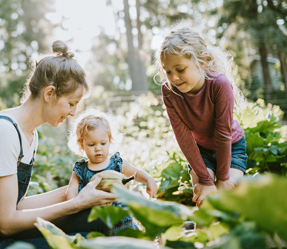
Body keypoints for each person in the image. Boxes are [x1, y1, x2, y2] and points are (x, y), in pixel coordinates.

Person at [0, 40, 118, 249]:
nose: (73, 113)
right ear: (49, 94)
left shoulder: (29, 134)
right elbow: (6, 223)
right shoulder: (4, 132)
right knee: (85, 243)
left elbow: (18, 205)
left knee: (99, 220)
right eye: (71, 103)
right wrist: (75, 203)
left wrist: (79, 190)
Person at [155, 24, 248, 207]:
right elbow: (183, 138)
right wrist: (205, 180)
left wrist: (222, 178)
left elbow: (223, 134)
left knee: (225, 200)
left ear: (202, 62)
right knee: (205, 201)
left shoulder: (219, 85)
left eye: (180, 69)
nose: (174, 78)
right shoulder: (169, 92)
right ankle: (202, 236)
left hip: (231, 146)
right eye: (168, 72)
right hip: (200, 152)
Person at [66, 109, 158, 234]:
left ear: (109, 141)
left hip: (121, 219)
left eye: (103, 143)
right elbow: (71, 190)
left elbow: (135, 173)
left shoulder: (116, 163)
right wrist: (73, 205)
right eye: (92, 145)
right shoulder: (80, 169)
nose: (98, 148)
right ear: (82, 145)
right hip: (95, 221)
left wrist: (148, 179)